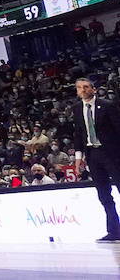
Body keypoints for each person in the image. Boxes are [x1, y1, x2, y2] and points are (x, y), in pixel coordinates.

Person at [72, 77, 120, 241]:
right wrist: (79, 158)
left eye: (86, 87)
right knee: (104, 194)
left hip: (112, 154)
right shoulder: (77, 108)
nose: (83, 90)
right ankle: (114, 231)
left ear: (93, 89)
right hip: (92, 154)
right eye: (79, 88)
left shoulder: (107, 105)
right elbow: (78, 134)